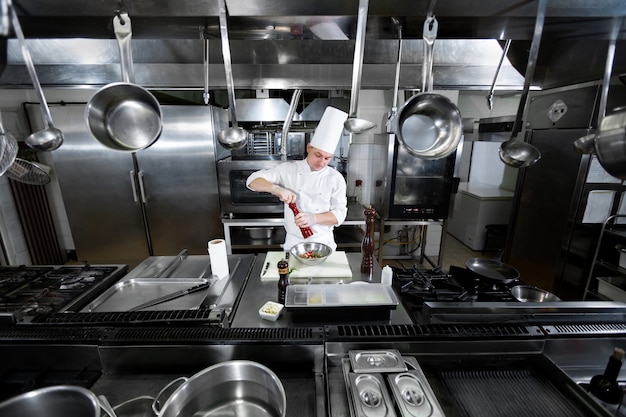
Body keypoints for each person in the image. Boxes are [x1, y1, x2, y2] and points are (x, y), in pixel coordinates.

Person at [246, 106, 348, 251]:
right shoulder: (288, 170)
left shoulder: (335, 178)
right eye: (318, 155)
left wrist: (314, 218)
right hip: (294, 244)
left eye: (327, 158)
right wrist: (276, 189)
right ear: (308, 147)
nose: (322, 162)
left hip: (324, 244)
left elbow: (340, 215)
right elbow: (252, 181)